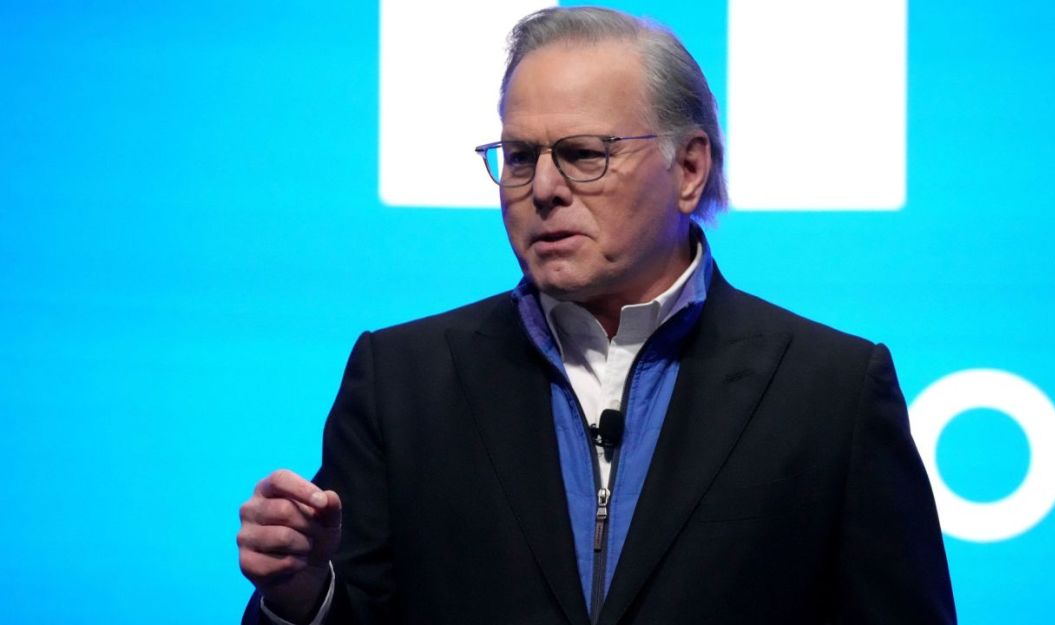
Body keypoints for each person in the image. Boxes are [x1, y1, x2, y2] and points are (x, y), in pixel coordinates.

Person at [238, 6, 957, 624]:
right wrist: (302, 596)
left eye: (583, 154)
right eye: (519, 157)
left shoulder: (829, 391)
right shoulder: (401, 381)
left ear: (689, 169)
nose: (543, 187)